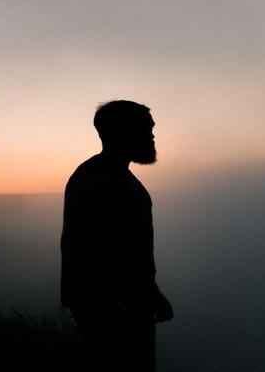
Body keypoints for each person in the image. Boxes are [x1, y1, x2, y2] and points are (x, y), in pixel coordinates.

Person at [60, 100, 173, 371]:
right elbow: (75, 244)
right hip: (113, 308)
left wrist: (153, 294)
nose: (153, 135)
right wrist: (99, 306)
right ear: (126, 131)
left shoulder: (124, 178)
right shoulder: (96, 176)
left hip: (131, 304)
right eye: (148, 128)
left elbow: (132, 250)